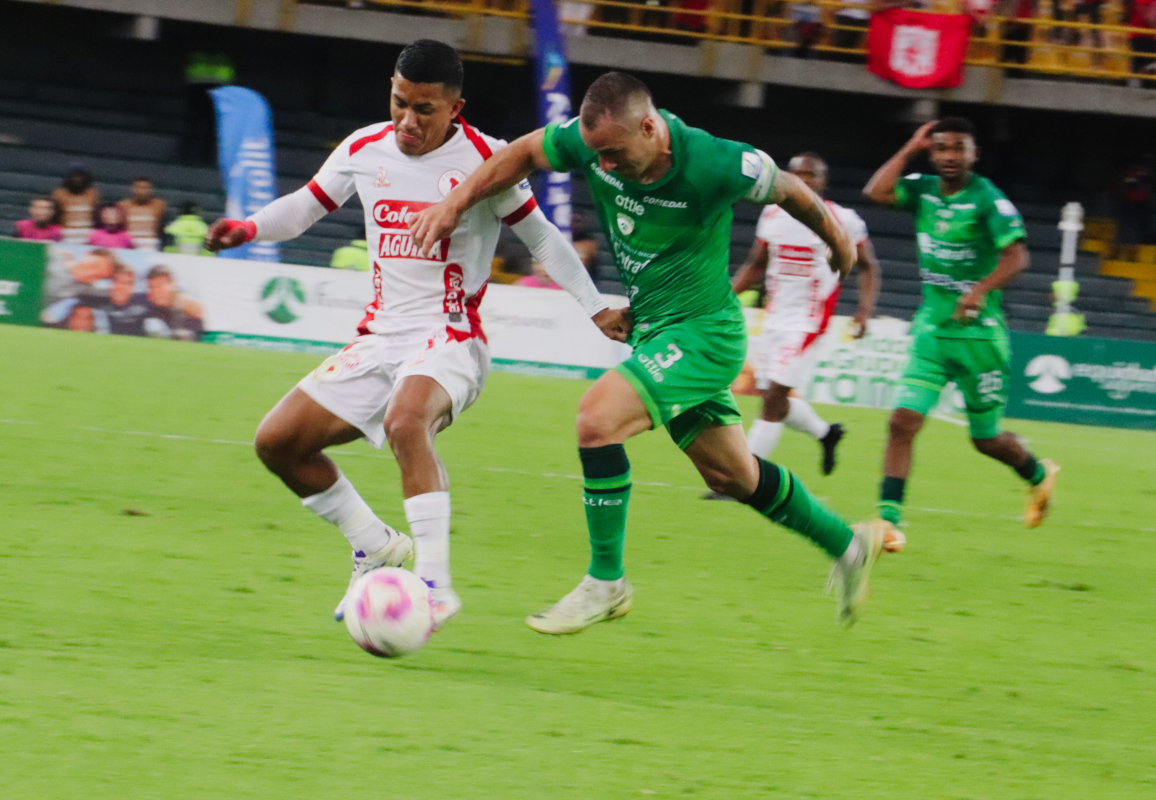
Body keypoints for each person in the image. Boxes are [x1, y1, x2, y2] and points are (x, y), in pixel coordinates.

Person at [412, 71, 890, 632]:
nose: (604, 167)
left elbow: (791, 188)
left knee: (597, 419)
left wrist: (836, 239)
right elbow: (521, 153)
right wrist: (452, 205)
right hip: (658, 330)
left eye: (613, 153)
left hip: (703, 334)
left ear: (650, 126)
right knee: (733, 477)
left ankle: (606, 582)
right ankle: (847, 544)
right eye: (596, 156)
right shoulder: (590, 143)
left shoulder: (715, 161)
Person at [204, 40, 626, 630]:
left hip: (452, 337)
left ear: (456, 108)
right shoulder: (363, 147)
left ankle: (435, 586)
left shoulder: (486, 159)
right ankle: (374, 544)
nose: (407, 121)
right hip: (381, 338)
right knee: (278, 443)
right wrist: (247, 227)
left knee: (407, 422)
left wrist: (594, 306)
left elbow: (542, 240)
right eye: (400, 102)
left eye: (424, 110)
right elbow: (304, 208)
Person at [863, 118, 1059, 536]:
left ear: (974, 153)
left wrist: (981, 290)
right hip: (932, 333)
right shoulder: (922, 189)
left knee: (985, 440)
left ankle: (1038, 473)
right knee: (901, 423)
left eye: (959, 148)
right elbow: (875, 192)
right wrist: (910, 147)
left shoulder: (988, 199)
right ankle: (888, 522)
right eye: (941, 148)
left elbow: (1017, 256)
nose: (949, 156)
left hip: (979, 338)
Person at [730, 152, 881, 476]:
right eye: (799, 173)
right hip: (774, 321)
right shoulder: (771, 215)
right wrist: (723, 296)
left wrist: (864, 311)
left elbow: (868, 266)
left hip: (809, 323)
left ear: (823, 181)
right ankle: (827, 434)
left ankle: (743, 479)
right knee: (776, 400)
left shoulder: (844, 220)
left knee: (771, 401)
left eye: (813, 174)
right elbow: (757, 264)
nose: (805, 179)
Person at [143, 265, 205, 341]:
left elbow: (195, 338)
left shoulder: (189, 307)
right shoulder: (144, 302)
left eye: (160, 285)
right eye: (151, 286)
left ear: (173, 284)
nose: (156, 291)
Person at [51, 166, 100, 245]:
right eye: (74, 177)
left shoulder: (93, 194)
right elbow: (55, 215)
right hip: (66, 235)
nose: (77, 179)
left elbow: (96, 215)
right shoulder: (59, 194)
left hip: (87, 235)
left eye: (80, 176)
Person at [118, 177, 166, 251]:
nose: (141, 191)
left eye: (145, 188)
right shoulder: (123, 205)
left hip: (150, 244)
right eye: (138, 188)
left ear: (151, 190)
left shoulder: (158, 205)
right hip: (128, 243)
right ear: (132, 189)